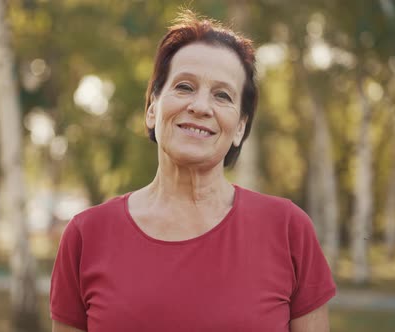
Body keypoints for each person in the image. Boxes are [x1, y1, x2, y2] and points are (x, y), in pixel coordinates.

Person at [50, 10, 336, 332]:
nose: (200, 107)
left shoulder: (288, 230)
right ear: (152, 109)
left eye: (222, 95)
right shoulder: (86, 236)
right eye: (185, 87)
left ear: (240, 128)